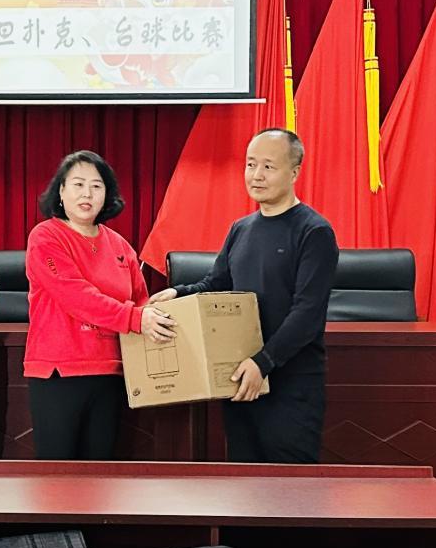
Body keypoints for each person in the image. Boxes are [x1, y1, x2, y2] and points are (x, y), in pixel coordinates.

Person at [151, 128, 338, 463]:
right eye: (251, 164)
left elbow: (307, 313)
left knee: (290, 483)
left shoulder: (314, 232)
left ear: (294, 172)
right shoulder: (241, 228)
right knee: (244, 478)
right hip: (238, 376)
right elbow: (216, 283)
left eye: (268, 166)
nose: (256, 175)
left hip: (289, 381)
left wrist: (263, 362)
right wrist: (177, 293)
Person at [24, 150, 175, 459]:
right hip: (58, 372)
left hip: (111, 371)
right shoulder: (46, 236)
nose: (87, 194)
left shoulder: (120, 246)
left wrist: (154, 313)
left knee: (101, 473)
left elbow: (140, 300)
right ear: (61, 191)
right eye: (78, 184)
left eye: (96, 186)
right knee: (56, 475)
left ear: (107, 194)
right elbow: (76, 296)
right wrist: (136, 318)